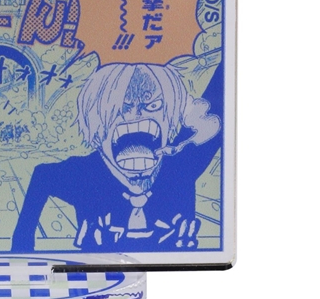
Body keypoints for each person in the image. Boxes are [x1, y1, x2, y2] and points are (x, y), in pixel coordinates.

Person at [11, 61, 223, 253]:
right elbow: (43, 175)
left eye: (153, 106)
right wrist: (22, 252)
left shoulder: (181, 163)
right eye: (121, 108)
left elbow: (220, 94)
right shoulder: (84, 173)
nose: (136, 114)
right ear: (96, 125)